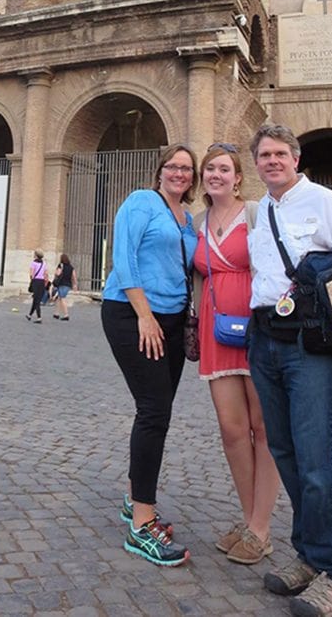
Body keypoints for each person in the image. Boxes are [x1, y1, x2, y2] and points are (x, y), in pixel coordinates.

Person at [247, 122, 332, 617]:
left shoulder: (327, 204)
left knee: (316, 459)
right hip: (264, 339)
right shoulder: (263, 208)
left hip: (309, 344)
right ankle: (307, 555)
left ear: (296, 159)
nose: (273, 161)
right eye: (264, 155)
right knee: (283, 450)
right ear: (257, 162)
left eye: (280, 153)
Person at [101, 144, 198, 567]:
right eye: (173, 166)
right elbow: (123, 259)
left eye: (186, 168)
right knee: (154, 410)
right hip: (133, 313)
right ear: (160, 171)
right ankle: (142, 524)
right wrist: (143, 315)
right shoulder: (142, 201)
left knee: (159, 410)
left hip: (173, 321)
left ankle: (133, 497)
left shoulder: (189, 219)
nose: (179, 173)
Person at [193, 143, 280, 564]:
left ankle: (260, 527)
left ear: (238, 176)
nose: (216, 175)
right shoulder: (197, 221)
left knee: (263, 427)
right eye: (210, 168)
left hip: (258, 327)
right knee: (232, 429)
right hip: (216, 330)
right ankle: (251, 523)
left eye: (224, 168)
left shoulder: (257, 212)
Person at [52, 253, 78, 320]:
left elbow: (58, 273)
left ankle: (66, 315)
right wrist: (75, 285)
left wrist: (55, 272)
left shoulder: (61, 265)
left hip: (62, 284)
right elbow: (74, 276)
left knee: (62, 298)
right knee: (59, 298)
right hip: (68, 285)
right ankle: (56, 313)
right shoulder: (71, 267)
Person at [25, 250, 48, 323]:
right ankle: (29, 315)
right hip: (41, 282)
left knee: (36, 300)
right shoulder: (44, 263)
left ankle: (39, 317)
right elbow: (46, 274)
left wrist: (31, 281)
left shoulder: (33, 263)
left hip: (36, 281)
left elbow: (31, 274)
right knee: (36, 299)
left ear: (36, 255)